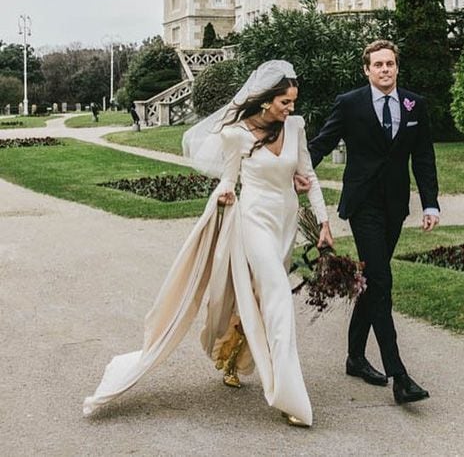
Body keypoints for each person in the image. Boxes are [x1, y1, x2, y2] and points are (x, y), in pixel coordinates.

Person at [83, 60, 332, 427]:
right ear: (265, 101)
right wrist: (225, 193)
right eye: (285, 103)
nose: (291, 109)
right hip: (254, 221)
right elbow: (228, 180)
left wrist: (324, 222)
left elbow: (307, 175)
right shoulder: (236, 135)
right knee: (278, 296)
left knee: (262, 298)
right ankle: (288, 395)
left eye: (293, 102)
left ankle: (232, 357)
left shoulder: (295, 128)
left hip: (286, 222)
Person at [307, 40, 439, 406]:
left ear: (397, 67)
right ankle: (399, 375)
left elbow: (424, 157)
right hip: (363, 204)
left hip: (395, 206)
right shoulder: (349, 104)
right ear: (366, 70)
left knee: (371, 281)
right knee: (381, 280)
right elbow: (321, 142)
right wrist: (295, 170)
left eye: (390, 64)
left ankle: (354, 357)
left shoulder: (415, 105)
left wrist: (431, 203)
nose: (385, 70)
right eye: (378, 64)